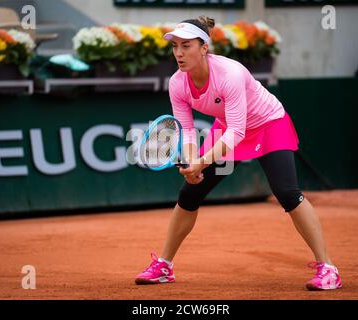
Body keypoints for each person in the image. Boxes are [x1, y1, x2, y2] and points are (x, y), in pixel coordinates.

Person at [135, 16, 342, 291]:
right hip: (228, 130)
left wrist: (202, 161)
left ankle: (328, 268)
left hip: (269, 125)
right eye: (175, 46)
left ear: (204, 47)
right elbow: (185, 130)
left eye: (186, 46)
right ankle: (164, 265)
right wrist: (192, 162)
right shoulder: (177, 83)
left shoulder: (230, 73)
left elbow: (237, 132)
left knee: (287, 193)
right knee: (189, 193)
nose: (179, 53)